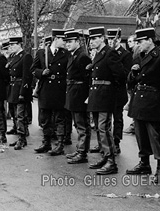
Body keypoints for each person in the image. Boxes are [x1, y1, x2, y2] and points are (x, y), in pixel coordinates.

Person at [126, 28, 160, 184]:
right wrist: (133, 74)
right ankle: (144, 163)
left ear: (150, 40)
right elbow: (131, 80)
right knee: (140, 133)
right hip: (139, 99)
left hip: (153, 99)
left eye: (141, 41)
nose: (138, 44)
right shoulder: (138, 56)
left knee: (154, 134)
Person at [87, 26, 125, 175]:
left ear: (102, 39)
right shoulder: (98, 54)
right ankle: (104, 156)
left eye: (95, 38)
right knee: (97, 127)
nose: (92, 41)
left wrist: (112, 93)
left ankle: (111, 161)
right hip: (97, 95)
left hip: (105, 95)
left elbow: (120, 76)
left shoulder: (110, 53)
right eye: (91, 39)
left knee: (104, 128)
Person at [31, 29, 68, 156]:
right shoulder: (42, 53)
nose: (65, 42)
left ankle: (60, 144)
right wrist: (41, 73)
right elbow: (33, 69)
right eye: (63, 39)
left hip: (59, 89)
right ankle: (46, 142)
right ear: (55, 39)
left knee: (59, 118)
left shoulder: (66, 54)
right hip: (46, 88)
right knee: (45, 118)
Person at [64, 30, 92, 164]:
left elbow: (87, 79)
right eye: (66, 42)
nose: (67, 44)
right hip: (73, 92)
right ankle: (80, 149)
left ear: (77, 42)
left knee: (82, 125)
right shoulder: (73, 55)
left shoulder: (82, 56)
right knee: (78, 124)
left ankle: (82, 152)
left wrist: (87, 96)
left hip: (80, 93)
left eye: (70, 42)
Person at [106, 28, 132, 154]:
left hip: (118, 90)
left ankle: (116, 142)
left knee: (117, 118)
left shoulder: (125, 55)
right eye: (109, 39)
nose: (111, 41)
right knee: (105, 118)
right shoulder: (106, 52)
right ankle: (106, 142)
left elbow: (126, 74)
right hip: (107, 90)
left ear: (119, 40)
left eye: (113, 39)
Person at [6, 37, 33, 150]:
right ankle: (20, 136)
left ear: (20, 45)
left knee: (20, 115)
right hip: (13, 87)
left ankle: (22, 138)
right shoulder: (13, 57)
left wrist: (23, 92)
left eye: (13, 45)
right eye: (10, 45)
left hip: (20, 87)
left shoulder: (25, 56)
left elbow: (27, 75)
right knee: (15, 114)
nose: (11, 47)